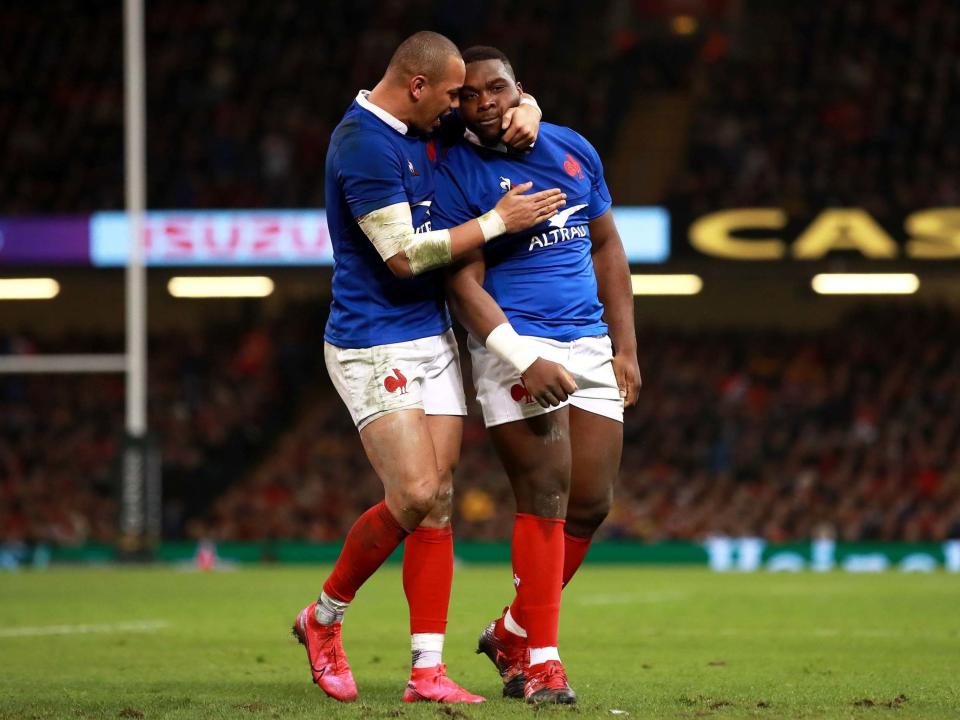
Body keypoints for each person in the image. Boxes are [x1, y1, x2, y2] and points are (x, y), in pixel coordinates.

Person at [292, 31, 565, 705]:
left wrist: (526, 101)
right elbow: (404, 259)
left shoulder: (421, 128)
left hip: (431, 336)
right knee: (414, 493)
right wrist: (498, 222)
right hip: (371, 340)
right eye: (449, 93)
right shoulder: (362, 145)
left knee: (438, 505)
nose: (456, 106)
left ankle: (427, 671)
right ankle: (324, 617)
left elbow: (498, 109)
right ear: (417, 87)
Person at [432, 46, 642, 704]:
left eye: (498, 89)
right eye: (470, 94)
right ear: (457, 104)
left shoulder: (572, 147)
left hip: (589, 341)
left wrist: (626, 348)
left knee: (592, 502)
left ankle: (513, 630)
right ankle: (542, 664)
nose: (486, 101)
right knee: (547, 494)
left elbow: (606, 245)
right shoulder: (453, 170)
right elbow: (461, 284)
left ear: (520, 89)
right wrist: (522, 357)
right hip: (514, 344)